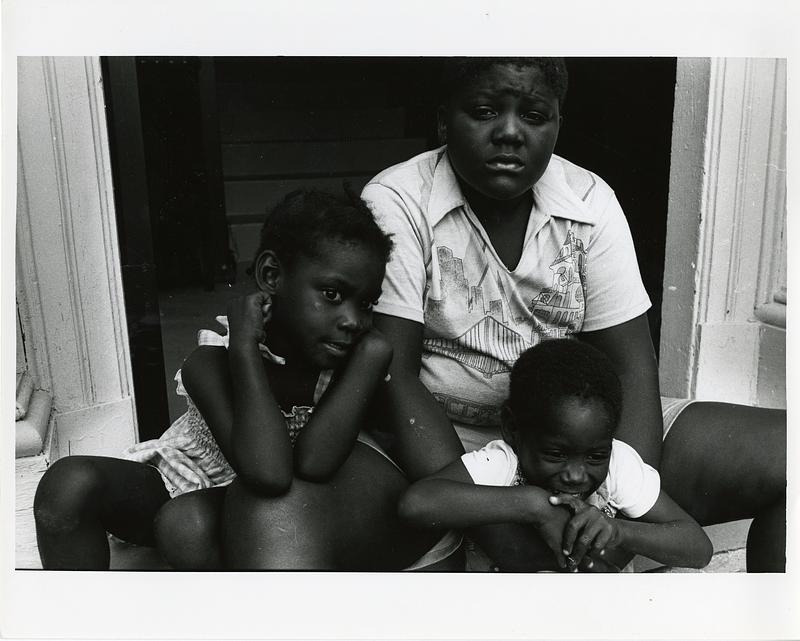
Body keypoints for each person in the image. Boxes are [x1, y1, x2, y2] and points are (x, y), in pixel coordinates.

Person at [362, 57, 785, 571]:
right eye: (484, 111)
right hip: (451, 442)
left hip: (579, 438)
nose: (510, 133)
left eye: (535, 116)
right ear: (443, 121)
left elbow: (631, 365)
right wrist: (498, 521)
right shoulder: (399, 200)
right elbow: (395, 375)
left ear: (558, 123)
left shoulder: (589, 200)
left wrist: (612, 512)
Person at [34, 189, 460, 571]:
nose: (352, 320)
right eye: (332, 294)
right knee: (68, 483)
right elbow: (267, 469)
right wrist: (243, 348)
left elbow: (301, 469)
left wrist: (368, 363)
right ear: (272, 276)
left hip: (266, 517)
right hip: (187, 481)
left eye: (366, 303)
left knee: (187, 527)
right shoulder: (211, 362)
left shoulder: (347, 370)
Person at [399, 339, 713, 572]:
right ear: (512, 430)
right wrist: (534, 505)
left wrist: (619, 530)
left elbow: (698, 547)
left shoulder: (618, 465)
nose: (576, 475)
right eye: (556, 454)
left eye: (594, 456)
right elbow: (417, 503)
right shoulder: (507, 462)